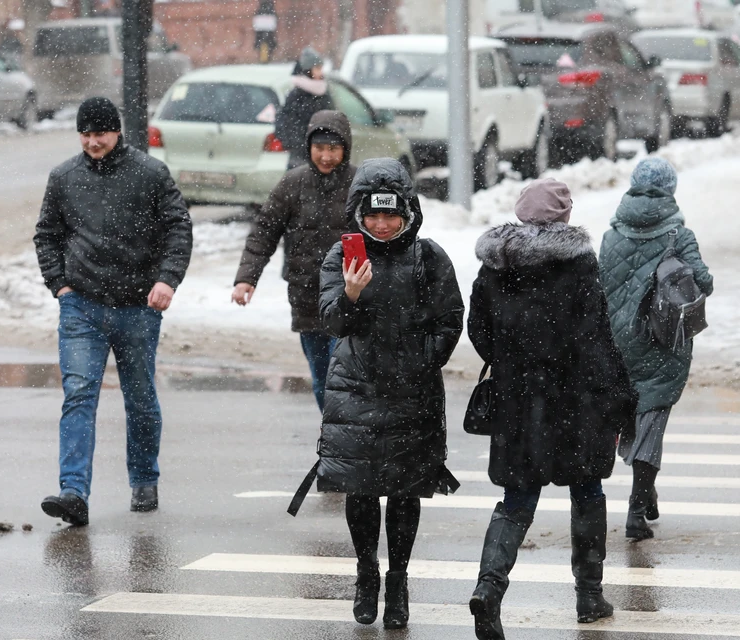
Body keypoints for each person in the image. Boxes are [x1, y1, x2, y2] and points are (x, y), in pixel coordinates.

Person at [466, 178, 637, 639]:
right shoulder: (579, 266)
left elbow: (479, 332)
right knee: (587, 493)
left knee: (516, 501)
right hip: (575, 403)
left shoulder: (495, 266)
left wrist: (512, 362)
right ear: (564, 216)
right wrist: (620, 400)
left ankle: (489, 590)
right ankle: (588, 595)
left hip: (517, 405)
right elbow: (597, 339)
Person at [315, 158, 464, 629]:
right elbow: (333, 323)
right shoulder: (341, 257)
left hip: (412, 392)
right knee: (359, 488)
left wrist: (423, 358)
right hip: (355, 390)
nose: (382, 225)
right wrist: (352, 295)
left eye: (391, 215)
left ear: (408, 214)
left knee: (404, 489)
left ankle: (397, 580)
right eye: (373, 215)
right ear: (359, 214)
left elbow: (449, 319)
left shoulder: (430, 257)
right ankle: (366, 573)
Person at [33, 97, 193, 527]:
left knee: (139, 398)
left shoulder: (150, 174)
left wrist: (167, 279)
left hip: (138, 306)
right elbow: (46, 234)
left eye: (99, 134)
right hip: (81, 306)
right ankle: (73, 492)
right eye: (84, 134)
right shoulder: (65, 177)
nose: (92, 142)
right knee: (79, 396)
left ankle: (144, 478)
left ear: (117, 131)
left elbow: (179, 227)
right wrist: (60, 286)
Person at [598, 157, 714, 541]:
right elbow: (703, 282)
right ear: (671, 191)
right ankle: (636, 510)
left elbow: (600, 286)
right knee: (652, 419)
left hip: (618, 339)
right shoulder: (679, 235)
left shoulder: (611, 235)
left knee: (630, 413)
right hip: (661, 339)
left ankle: (646, 495)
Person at [232, 110, 356, 411]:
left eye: (333, 149)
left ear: (345, 149)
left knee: (343, 373)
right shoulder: (293, 183)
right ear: (309, 148)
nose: (326, 156)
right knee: (321, 375)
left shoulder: (358, 183)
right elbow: (264, 231)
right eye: (319, 148)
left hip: (349, 294)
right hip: (306, 293)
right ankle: (334, 437)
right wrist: (246, 277)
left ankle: (347, 440)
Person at [275, 47, 334, 170]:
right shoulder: (296, 95)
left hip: (320, 155)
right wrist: (298, 144)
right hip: (301, 157)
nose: (321, 73)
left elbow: (332, 120)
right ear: (308, 70)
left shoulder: (324, 94)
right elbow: (284, 121)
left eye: (321, 68)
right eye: (317, 68)